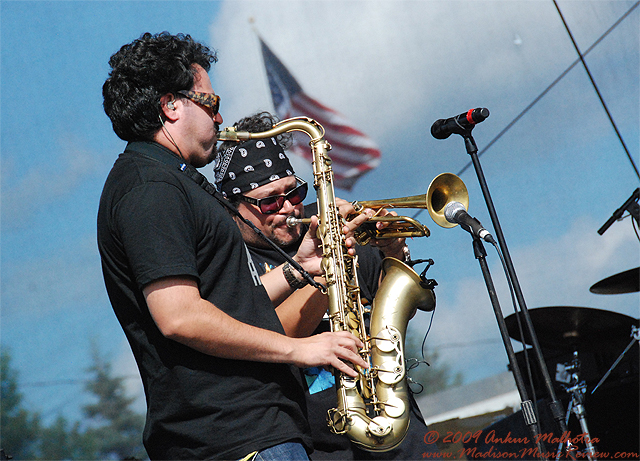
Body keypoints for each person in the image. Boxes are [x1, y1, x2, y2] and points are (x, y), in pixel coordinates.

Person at [97, 32, 370, 460]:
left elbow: (224, 304)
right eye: (210, 102)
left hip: (256, 431)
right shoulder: (150, 188)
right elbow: (180, 317)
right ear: (171, 106)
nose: (220, 118)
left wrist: (298, 268)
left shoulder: (169, 180)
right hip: (235, 437)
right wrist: (300, 348)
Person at [215, 112, 440, 460]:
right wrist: (325, 271)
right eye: (271, 201)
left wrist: (392, 251)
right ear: (233, 208)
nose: (289, 207)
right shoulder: (230, 265)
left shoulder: (334, 232)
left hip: (398, 426)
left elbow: (396, 303)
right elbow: (274, 334)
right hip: (320, 445)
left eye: (294, 192)